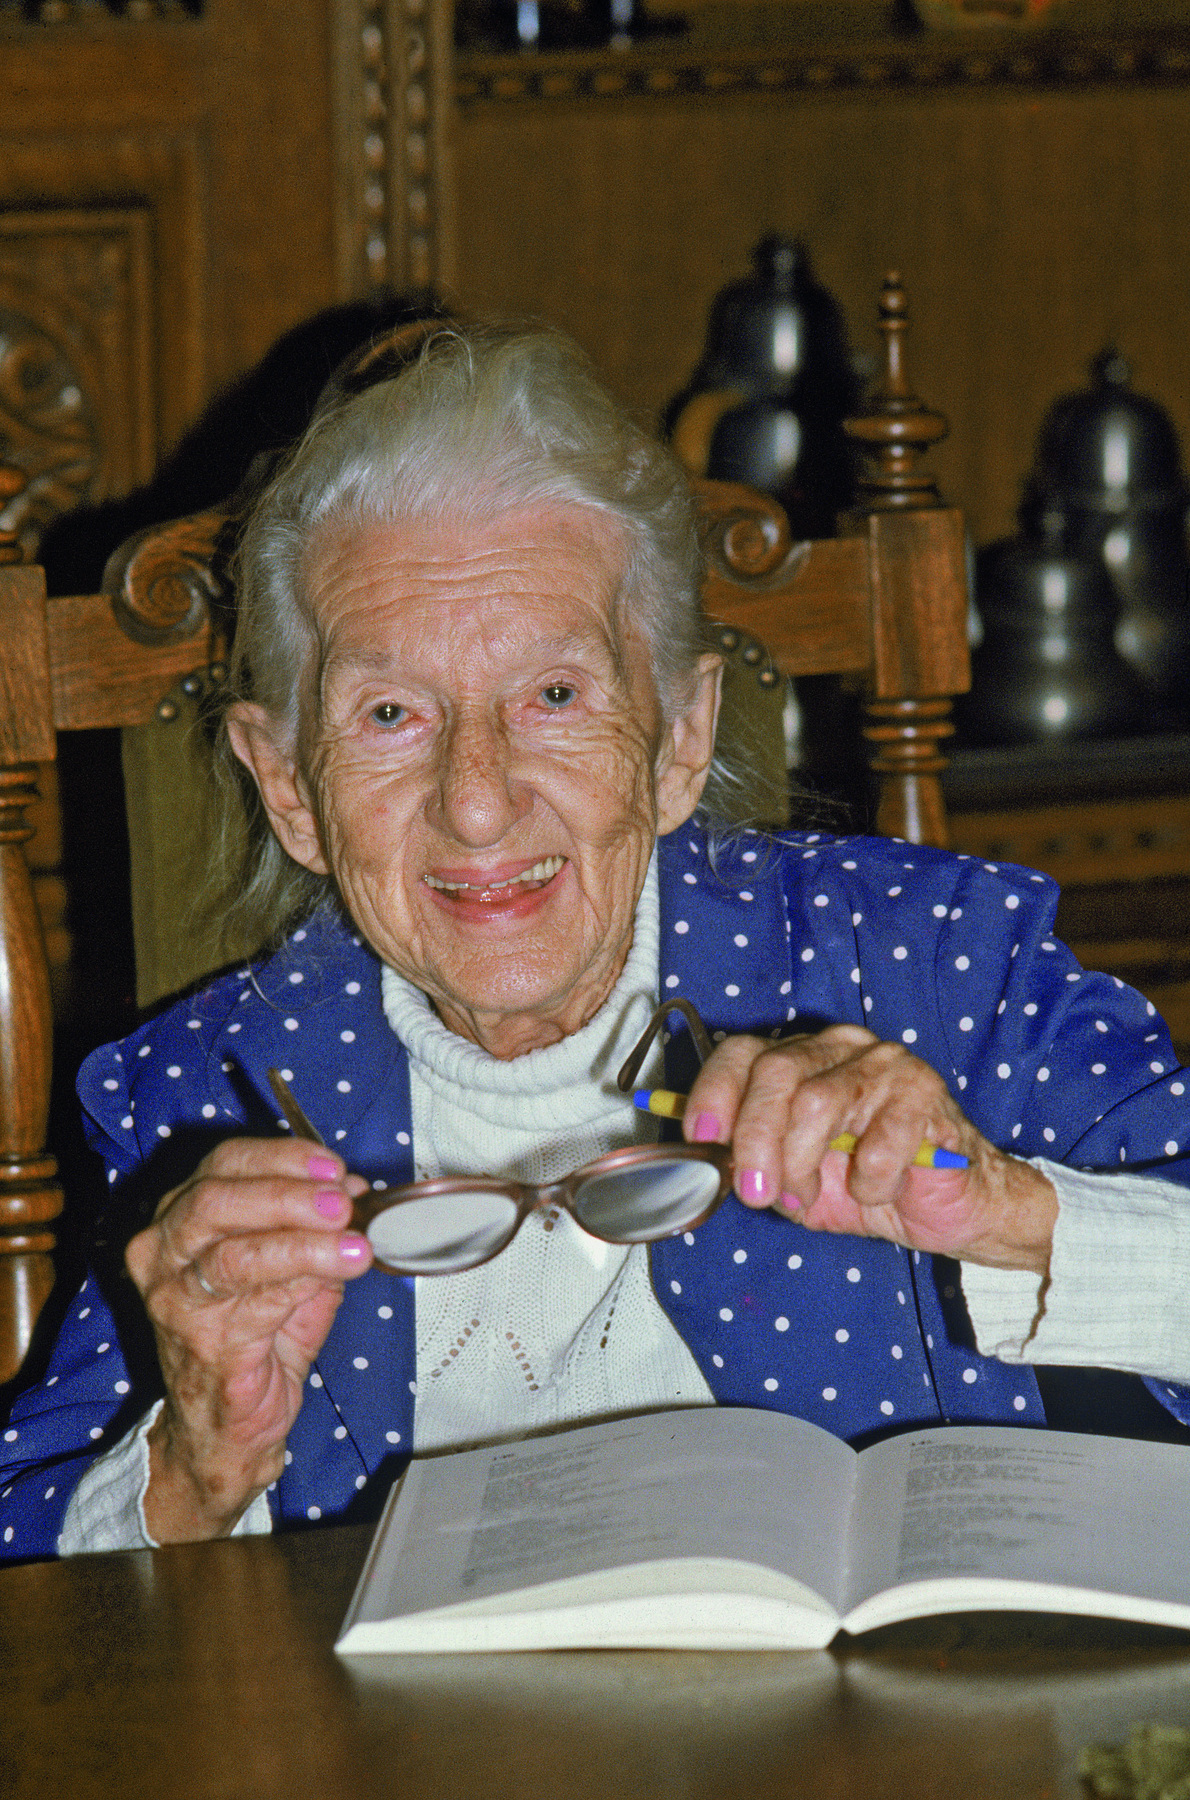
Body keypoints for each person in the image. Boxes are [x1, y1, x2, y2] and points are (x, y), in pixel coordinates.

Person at [3, 324, 1190, 1562]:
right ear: (290, 786)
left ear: (679, 736)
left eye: (554, 697)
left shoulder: (926, 965)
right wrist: (193, 1466)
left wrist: (998, 1206)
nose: (476, 797)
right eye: (391, 714)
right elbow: (29, 1570)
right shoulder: (208, 1091)